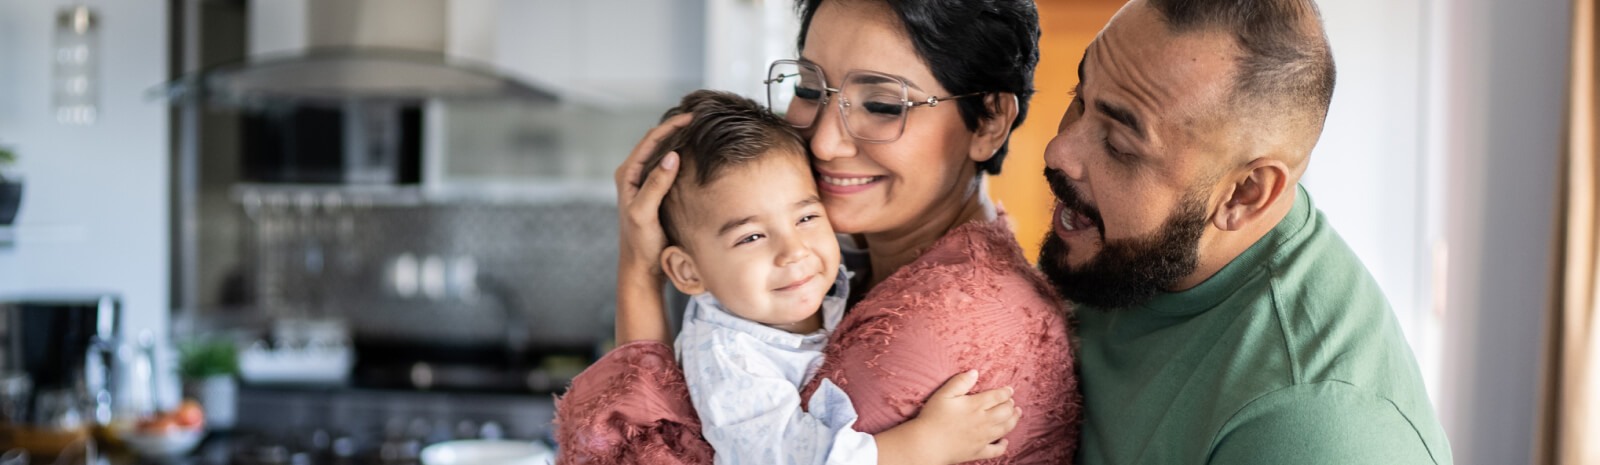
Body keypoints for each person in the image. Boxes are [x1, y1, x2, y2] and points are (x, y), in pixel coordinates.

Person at [553, 0, 1080, 464]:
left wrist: (638, 275)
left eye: (881, 104)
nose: (824, 141)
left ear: (988, 121)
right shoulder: (846, 268)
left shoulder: (933, 332)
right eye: (809, 88)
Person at [1037, 0, 1453, 463]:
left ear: (1244, 194)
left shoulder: (1311, 428)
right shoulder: (1129, 253)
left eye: (1118, 145)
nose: (1059, 151)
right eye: (1078, 96)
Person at [639, 89, 1021, 464]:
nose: (794, 252)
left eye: (805, 218)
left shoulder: (808, 284)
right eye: (752, 237)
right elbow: (785, 458)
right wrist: (924, 446)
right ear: (689, 272)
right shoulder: (729, 361)